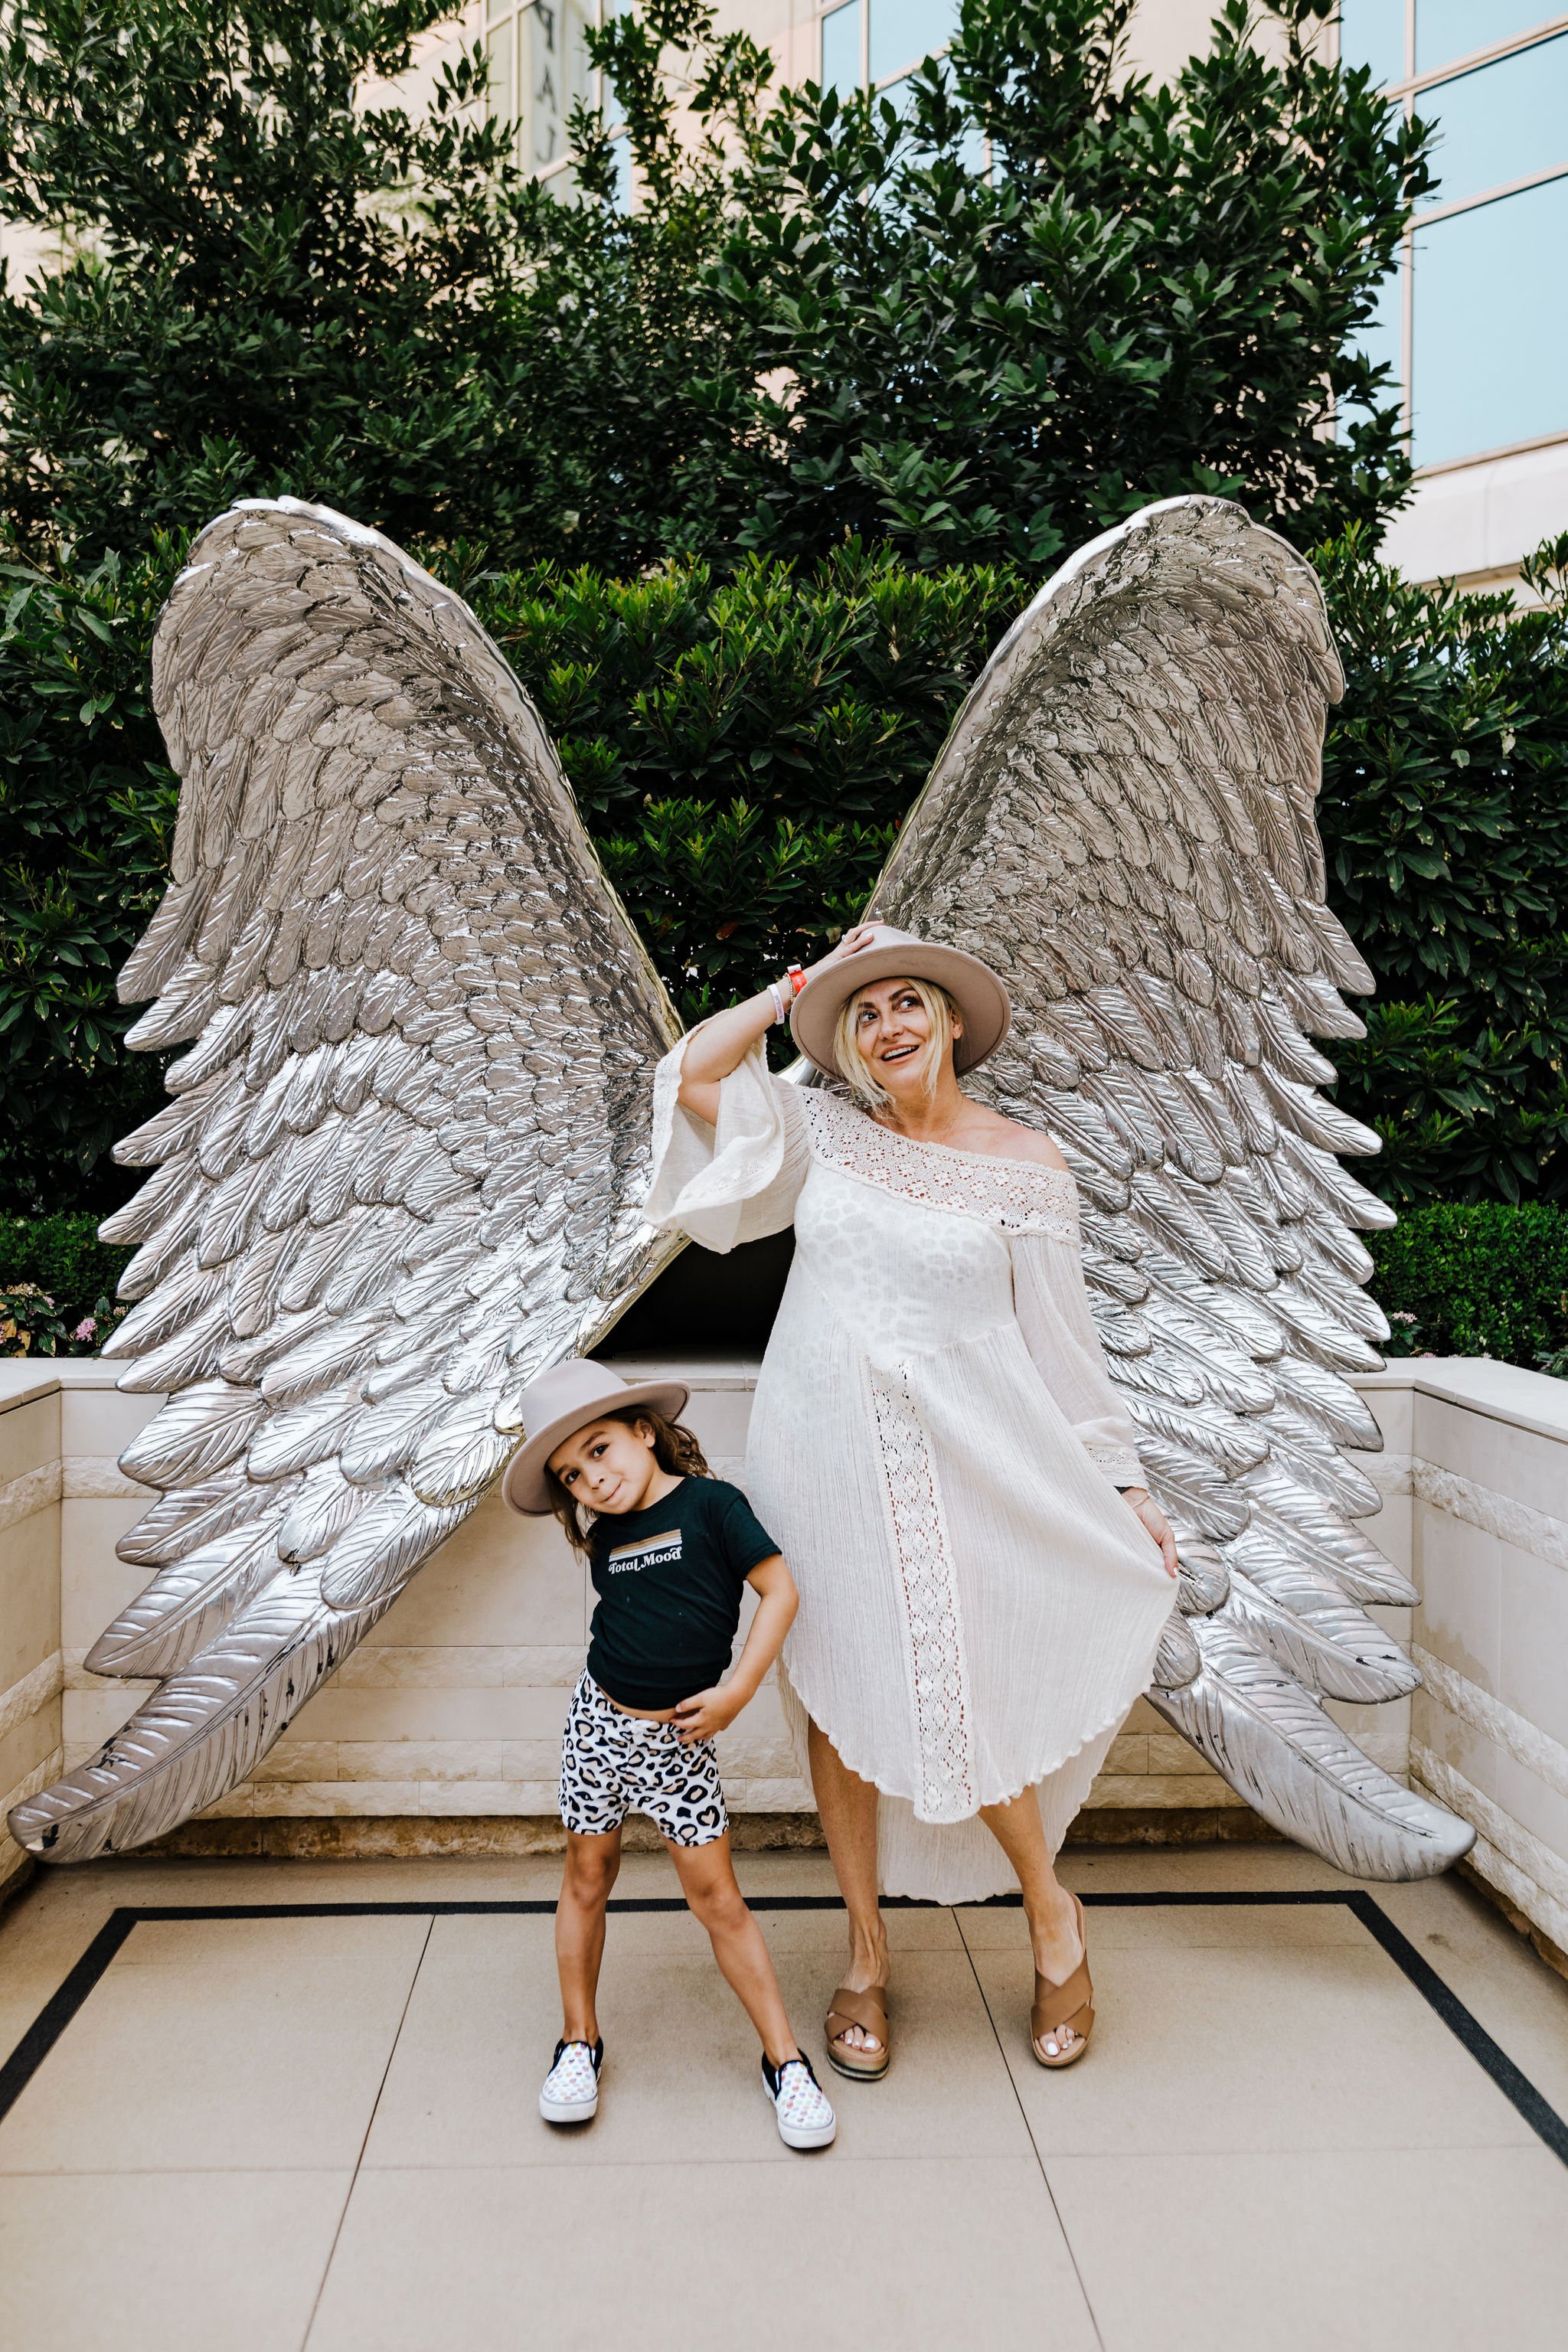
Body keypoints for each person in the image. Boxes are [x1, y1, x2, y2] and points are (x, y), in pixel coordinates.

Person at [645, 924, 1179, 2077]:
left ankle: (1051, 1917)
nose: (889, 1026)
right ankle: (866, 1957)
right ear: (848, 1040)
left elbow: (1063, 1348)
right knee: (836, 1700)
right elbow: (693, 1075)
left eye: (908, 1005)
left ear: (946, 1024)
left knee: (963, 1682)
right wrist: (792, 989)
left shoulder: (1028, 1166)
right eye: (866, 1012)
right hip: (820, 1452)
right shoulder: (818, 1134)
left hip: (968, 1457)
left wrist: (1125, 1485)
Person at [501, 1358, 837, 2150]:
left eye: (600, 1449)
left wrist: (737, 1692)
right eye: (571, 1474)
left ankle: (784, 2062)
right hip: (596, 1729)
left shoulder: (714, 1505)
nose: (591, 1478)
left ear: (643, 1432)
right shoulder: (608, 1534)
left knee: (716, 1898)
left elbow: (780, 1590)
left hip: (679, 1744)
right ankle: (577, 2043)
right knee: (586, 1877)